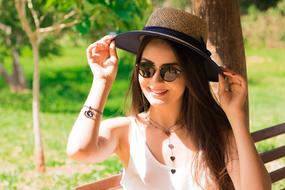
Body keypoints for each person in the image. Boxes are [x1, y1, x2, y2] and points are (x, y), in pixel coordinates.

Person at [66, 7, 271, 190]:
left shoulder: (217, 136)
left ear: (191, 76)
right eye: (146, 68)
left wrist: (236, 115)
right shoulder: (126, 131)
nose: (155, 81)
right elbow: (79, 151)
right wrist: (101, 81)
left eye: (170, 71)